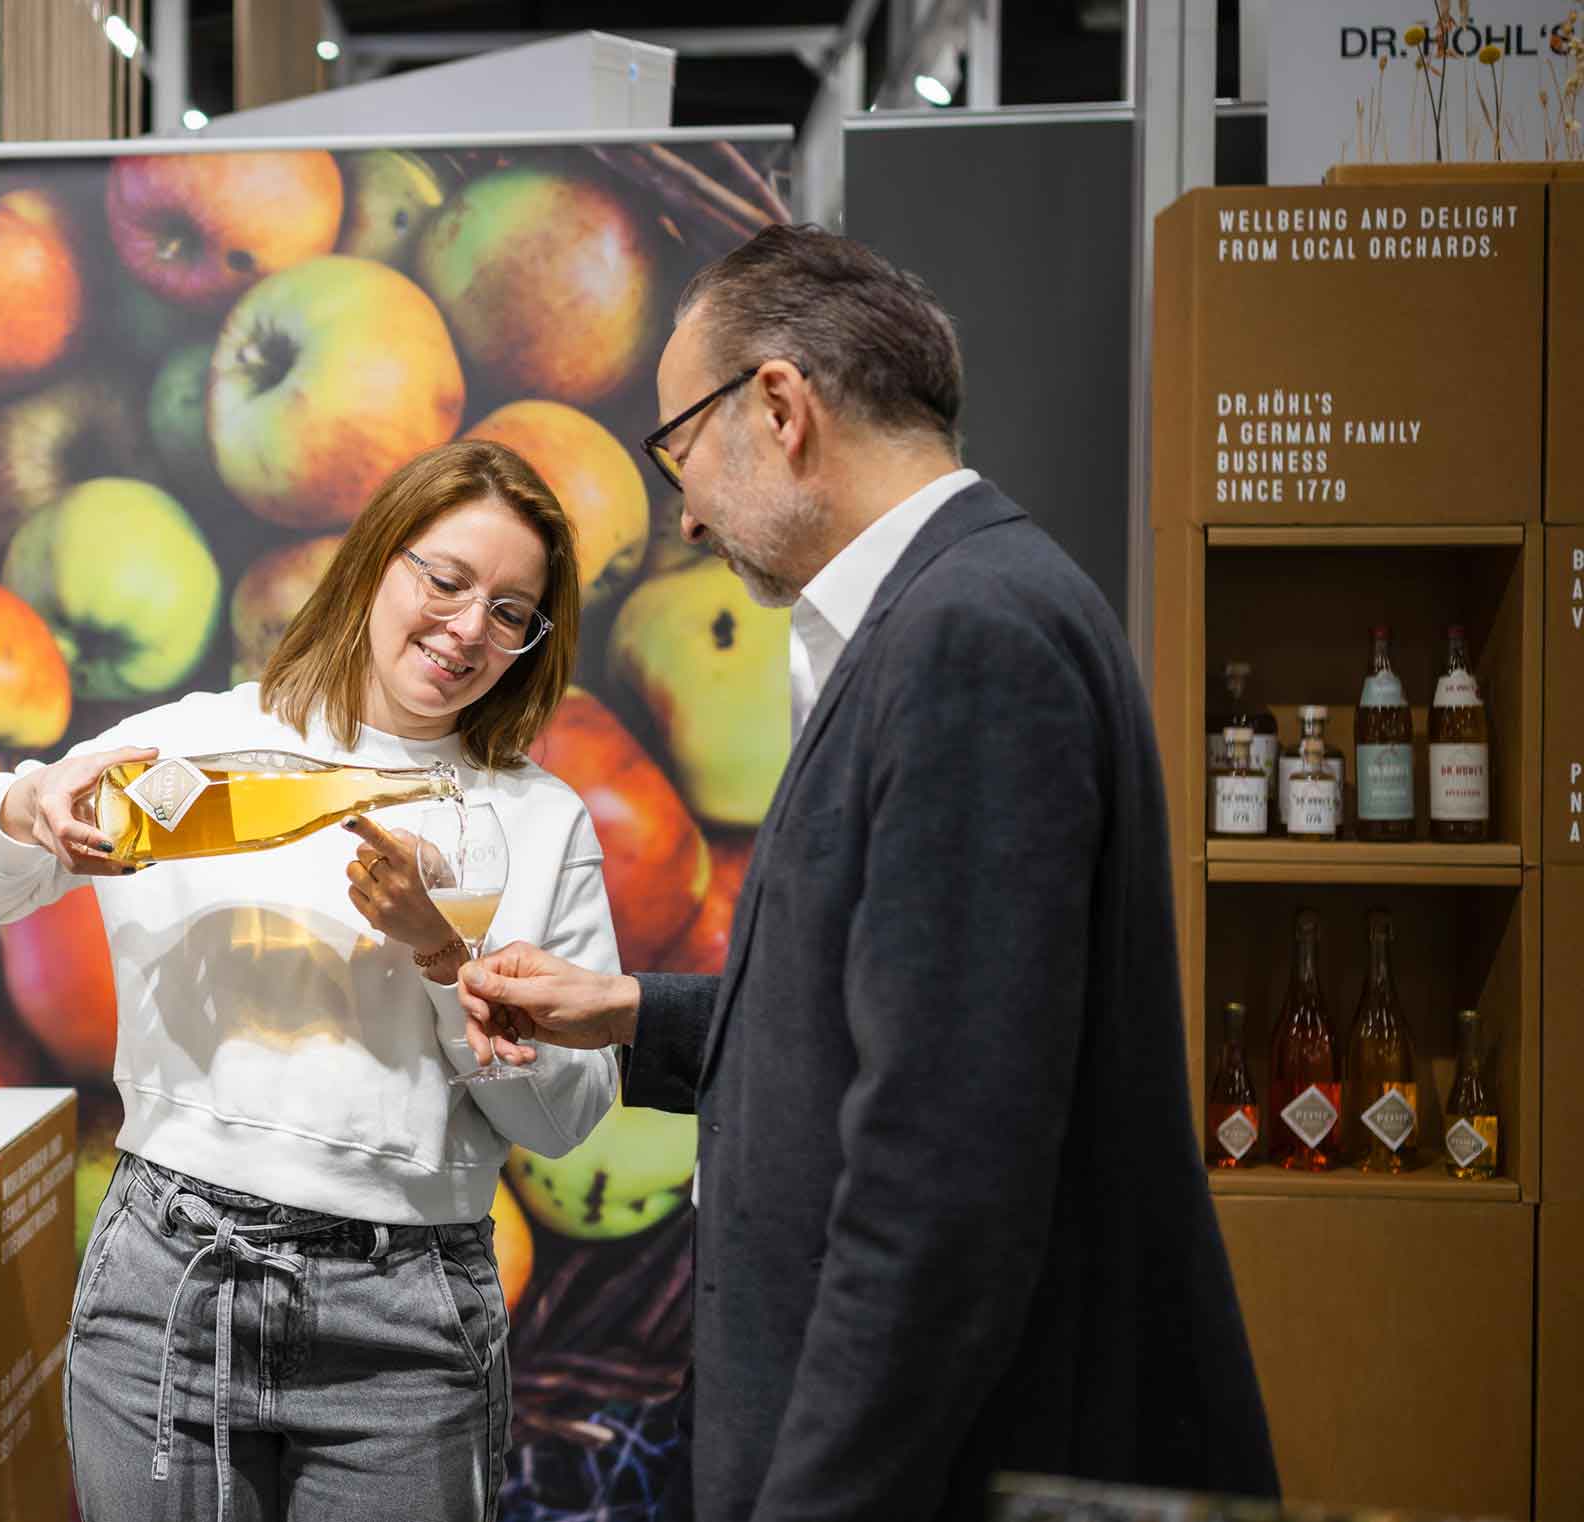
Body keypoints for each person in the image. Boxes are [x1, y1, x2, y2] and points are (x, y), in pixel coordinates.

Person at [455, 225, 1279, 1520]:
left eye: (680, 446)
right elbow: (900, 1022)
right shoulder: (969, 603)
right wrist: (627, 1014)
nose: (683, 511)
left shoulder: (968, 641)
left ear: (779, 407)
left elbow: (941, 1171)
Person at [0, 439, 619, 1521]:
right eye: (444, 580)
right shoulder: (204, 747)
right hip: (170, 1285)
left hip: (409, 1323)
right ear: (376, 562)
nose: (464, 629)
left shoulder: (540, 822)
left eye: (509, 611)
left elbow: (567, 1113)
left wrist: (442, 957)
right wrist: (28, 806)